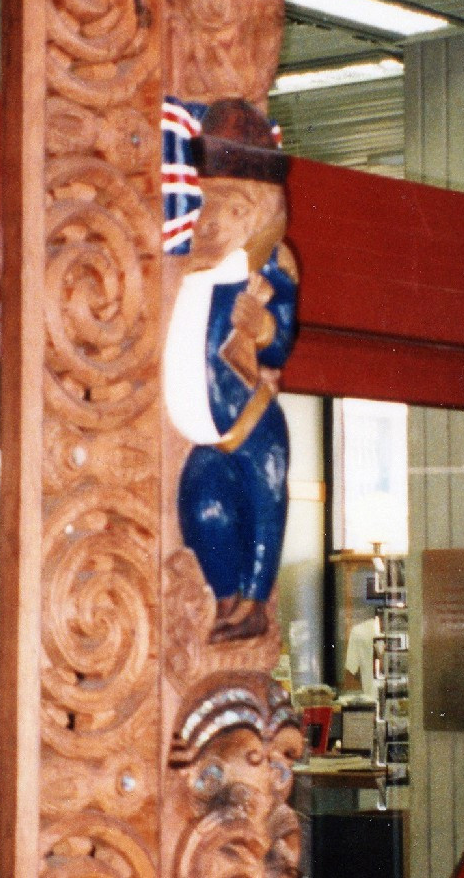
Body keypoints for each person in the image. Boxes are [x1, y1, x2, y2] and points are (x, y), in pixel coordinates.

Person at [163, 98, 297, 642]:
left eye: (230, 209)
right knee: (202, 505)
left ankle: (255, 602)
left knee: (266, 505)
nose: (213, 220)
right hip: (203, 439)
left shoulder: (268, 265)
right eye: (209, 205)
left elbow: (281, 338)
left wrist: (264, 329)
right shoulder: (197, 265)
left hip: (250, 420)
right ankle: (226, 599)